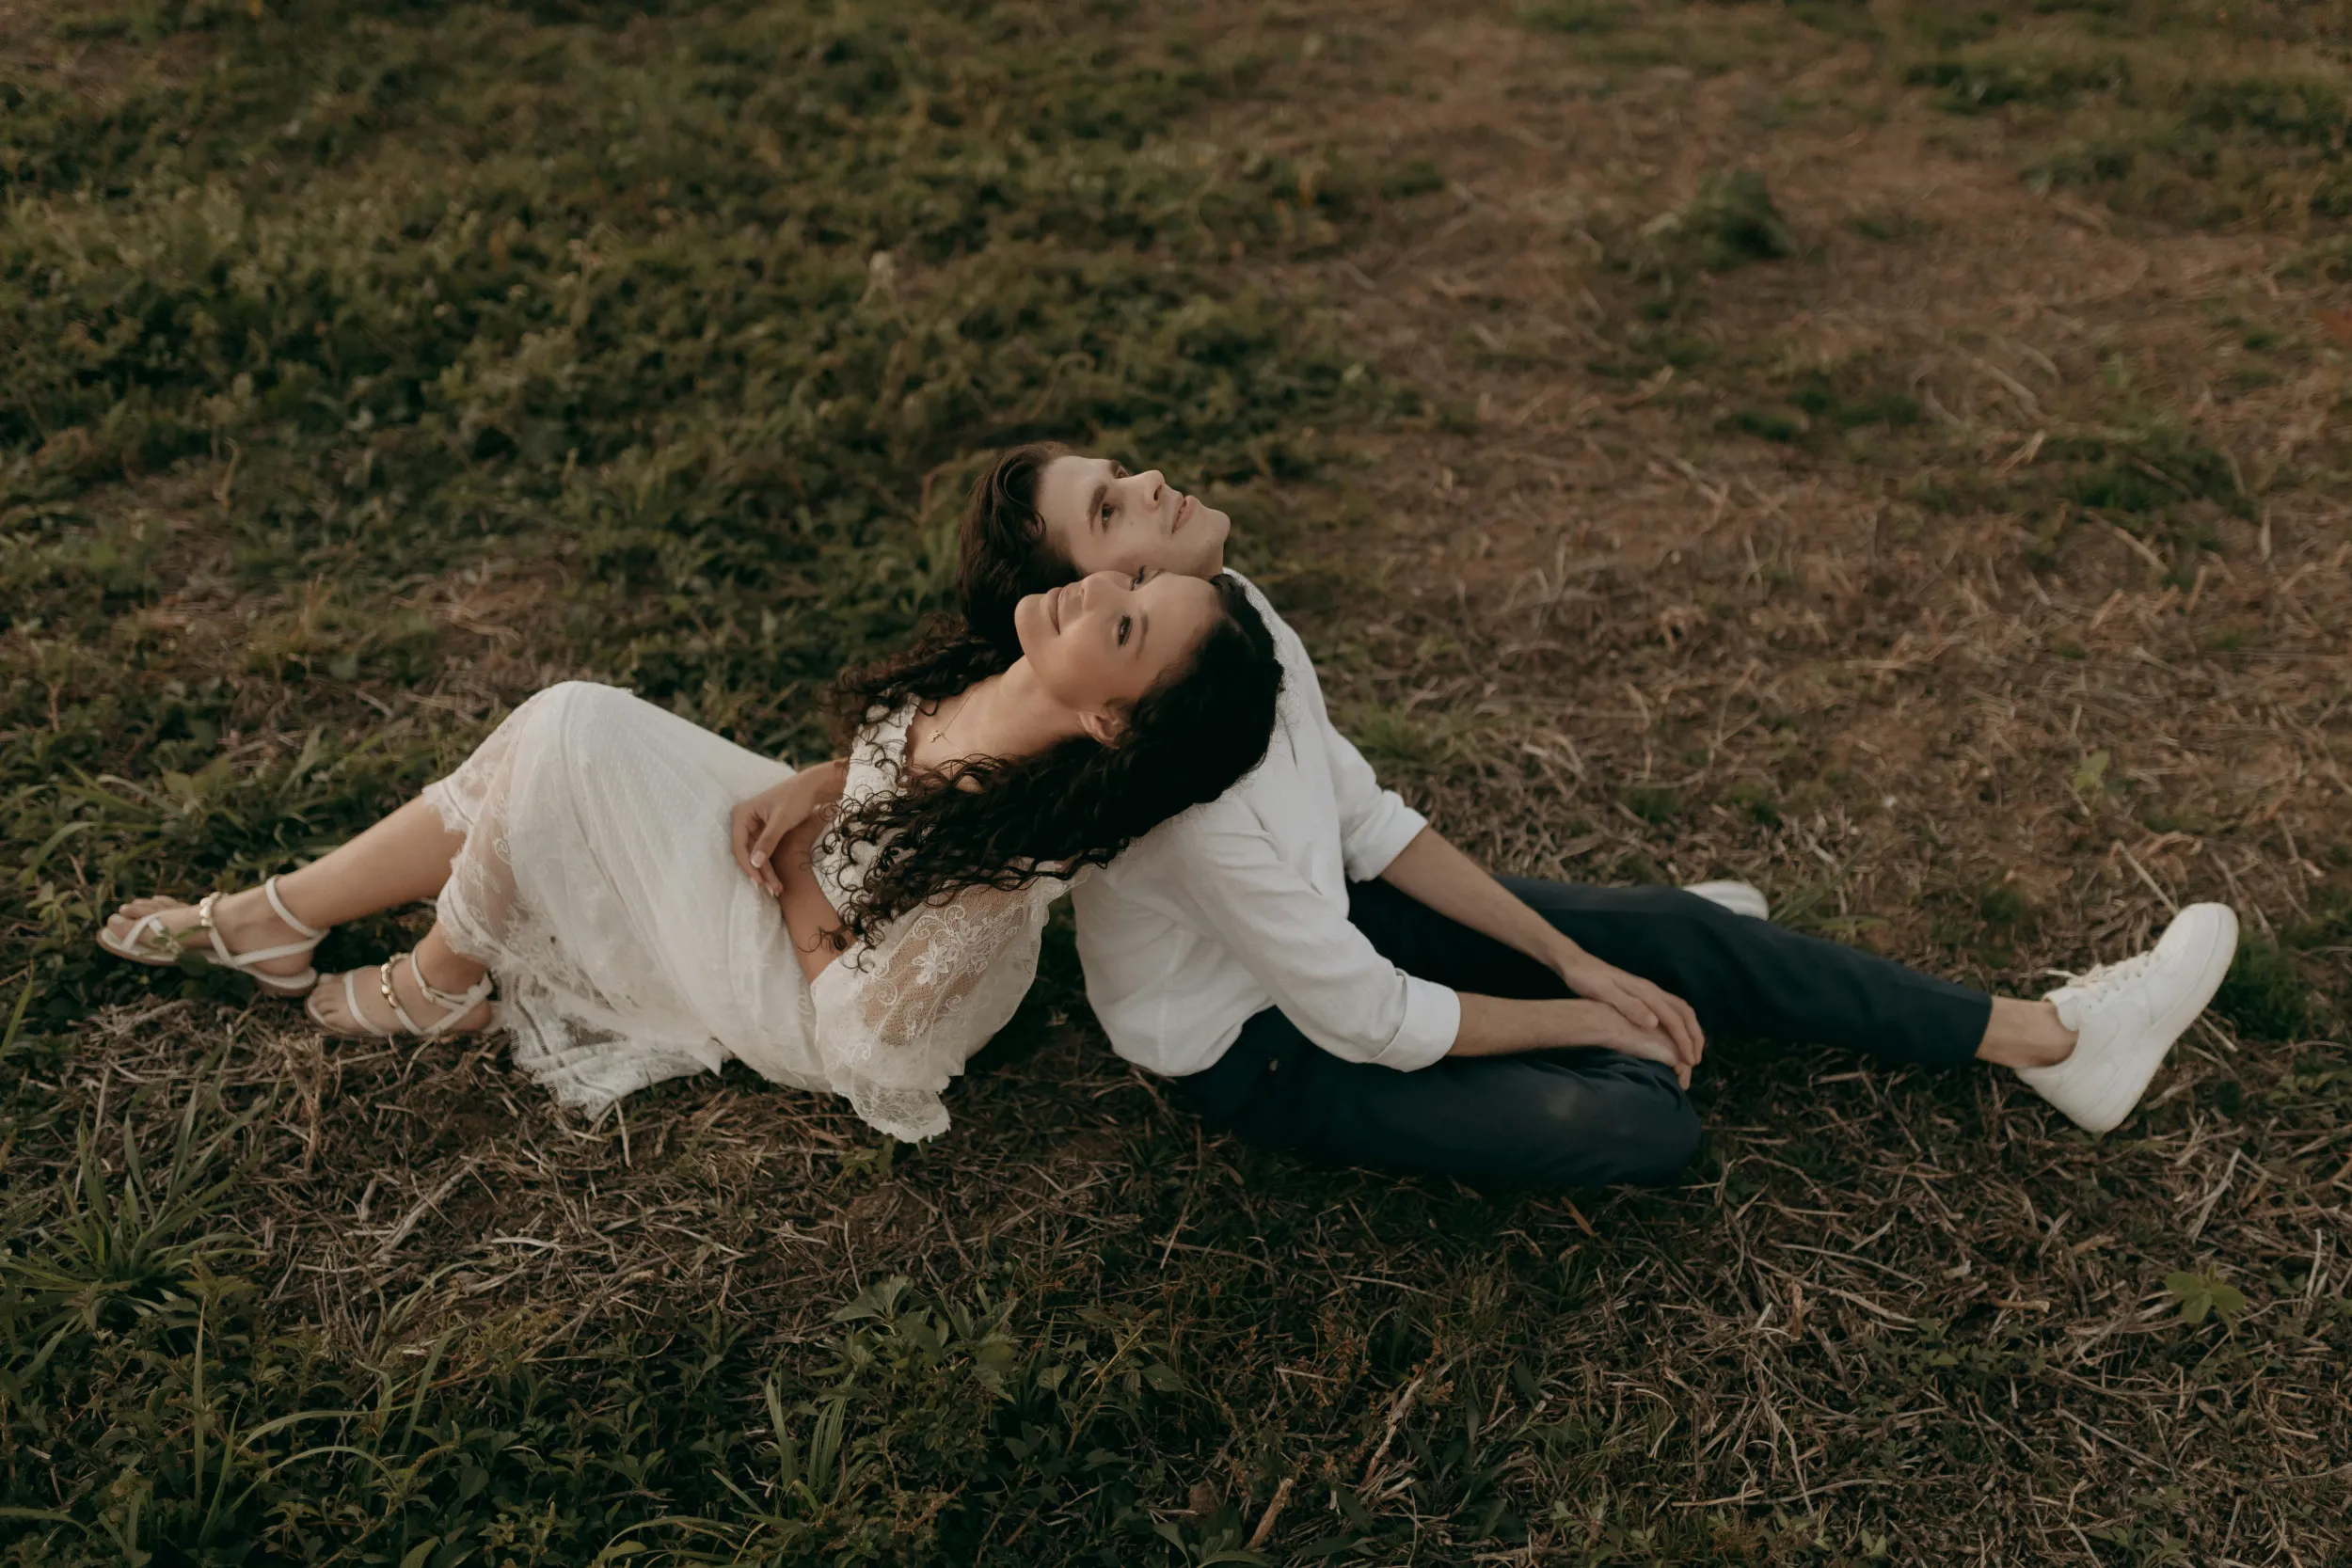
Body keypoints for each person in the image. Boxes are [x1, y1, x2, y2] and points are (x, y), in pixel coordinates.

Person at [953, 441, 2241, 1186]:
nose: (1150, 480)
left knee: (1669, 929)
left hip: (1338, 921)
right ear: (1093, 603)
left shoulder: (1227, 610)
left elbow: (1366, 821)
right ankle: (1658, 1012)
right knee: (1638, 1119)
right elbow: (1360, 1011)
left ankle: (2063, 1042)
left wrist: (1572, 951)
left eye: (1117, 470)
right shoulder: (1187, 810)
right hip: (1269, 1042)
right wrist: (1584, 1006)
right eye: (1109, 511)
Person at [99, 538, 1284, 1142]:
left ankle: (411, 969)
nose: (1096, 585)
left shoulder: (995, 878)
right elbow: (907, 764)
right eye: (1127, 574)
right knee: (562, 734)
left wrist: (805, 893)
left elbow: (876, 1057)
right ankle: (293, 921)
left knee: (565, 737)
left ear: (1108, 720)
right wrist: (818, 785)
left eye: (1123, 621)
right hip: (830, 855)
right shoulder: (1005, 678)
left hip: (798, 976)